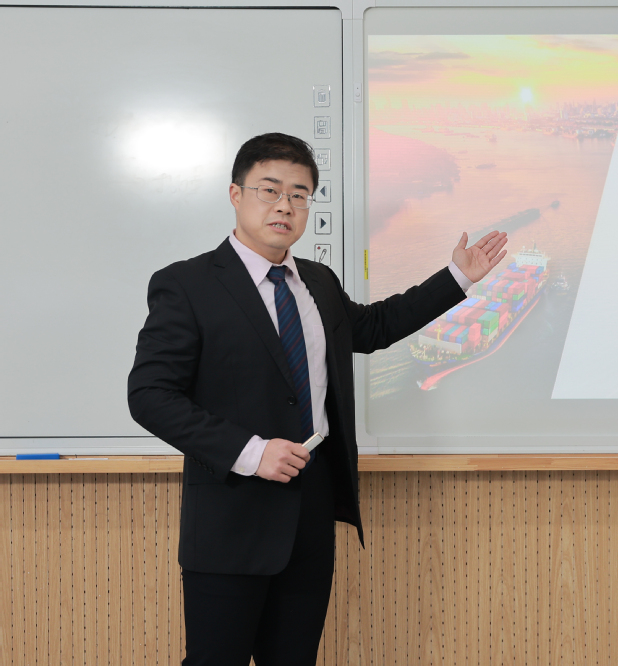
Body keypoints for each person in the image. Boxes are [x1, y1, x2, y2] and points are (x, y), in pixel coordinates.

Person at [127, 132, 507, 666]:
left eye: (299, 194)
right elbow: (149, 395)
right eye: (270, 190)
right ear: (236, 194)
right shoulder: (187, 284)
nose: (285, 205)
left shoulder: (318, 281)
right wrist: (251, 452)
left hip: (310, 514)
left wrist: (458, 278)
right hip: (232, 519)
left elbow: (374, 327)